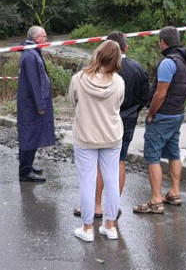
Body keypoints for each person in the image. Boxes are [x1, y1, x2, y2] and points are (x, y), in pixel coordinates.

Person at [74, 32, 149, 218]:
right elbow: (145, 96)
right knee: (119, 163)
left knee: (97, 166)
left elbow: (76, 100)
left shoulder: (91, 75)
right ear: (126, 47)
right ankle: (112, 208)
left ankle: (96, 206)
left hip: (99, 122)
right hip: (127, 122)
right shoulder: (137, 68)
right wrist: (133, 110)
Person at [134, 26, 186, 214]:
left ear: (162, 42)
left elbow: (160, 94)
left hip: (163, 115)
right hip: (177, 114)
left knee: (152, 156)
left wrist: (151, 113)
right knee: (173, 153)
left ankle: (155, 201)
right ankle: (174, 193)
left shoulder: (168, 63)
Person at [69, 40, 125, 241]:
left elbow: (72, 102)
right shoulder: (119, 81)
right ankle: (110, 226)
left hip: (85, 135)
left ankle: (87, 228)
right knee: (111, 179)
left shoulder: (78, 79)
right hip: (112, 136)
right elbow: (119, 103)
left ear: (98, 54)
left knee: (87, 180)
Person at [16, 26, 56, 182]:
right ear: (36, 38)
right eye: (44, 36)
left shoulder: (33, 52)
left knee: (33, 135)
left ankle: (28, 165)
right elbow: (34, 83)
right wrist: (40, 105)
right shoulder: (30, 56)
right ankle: (25, 172)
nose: (46, 39)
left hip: (31, 104)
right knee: (29, 136)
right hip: (30, 105)